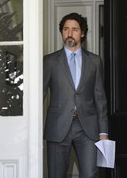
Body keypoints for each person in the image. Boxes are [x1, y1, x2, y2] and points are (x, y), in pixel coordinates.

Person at [43, 12, 109, 178]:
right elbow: (40, 95)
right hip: (57, 127)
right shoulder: (49, 61)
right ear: (62, 32)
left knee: (89, 174)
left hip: (87, 128)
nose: (69, 33)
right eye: (65, 29)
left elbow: (100, 98)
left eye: (74, 29)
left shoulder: (94, 61)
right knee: (56, 175)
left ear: (82, 33)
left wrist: (103, 132)